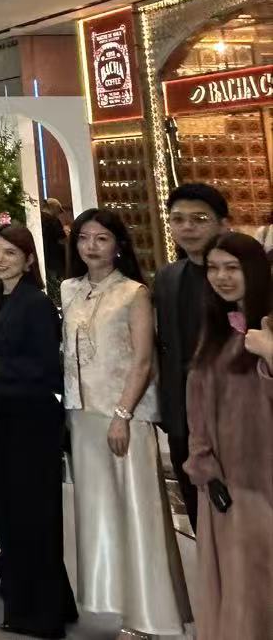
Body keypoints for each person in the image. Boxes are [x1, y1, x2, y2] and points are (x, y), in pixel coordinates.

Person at [61, 209, 189, 637]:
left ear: (118, 245)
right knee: (102, 515)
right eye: (84, 238)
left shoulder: (134, 292)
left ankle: (150, 617)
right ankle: (118, 605)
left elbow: (143, 360)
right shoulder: (69, 289)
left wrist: (123, 414)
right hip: (83, 416)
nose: (91, 246)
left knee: (139, 513)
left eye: (101, 238)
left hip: (123, 418)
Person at [0, 223, 76, 639]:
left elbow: (51, 368)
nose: (0, 259)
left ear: (29, 259)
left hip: (32, 422)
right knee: (10, 515)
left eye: (11, 253)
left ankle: (41, 615)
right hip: (0, 419)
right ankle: (49, 601)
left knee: (34, 517)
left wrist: (3, 370)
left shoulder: (36, 303)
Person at [183, 231, 273, 640]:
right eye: (214, 268)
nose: (221, 277)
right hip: (222, 485)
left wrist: (268, 352)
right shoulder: (216, 331)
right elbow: (197, 403)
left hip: (262, 484)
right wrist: (202, 463)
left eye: (232, 268)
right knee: (232, 588)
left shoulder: (266, 328)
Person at [153, 181, 227, 529]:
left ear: (223, 224)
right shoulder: (168, 277)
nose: (187, 227)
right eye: (178, 219)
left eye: (199, 219)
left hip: (234, 413)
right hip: (183, 416)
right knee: (199, 511)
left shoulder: (243, 274)